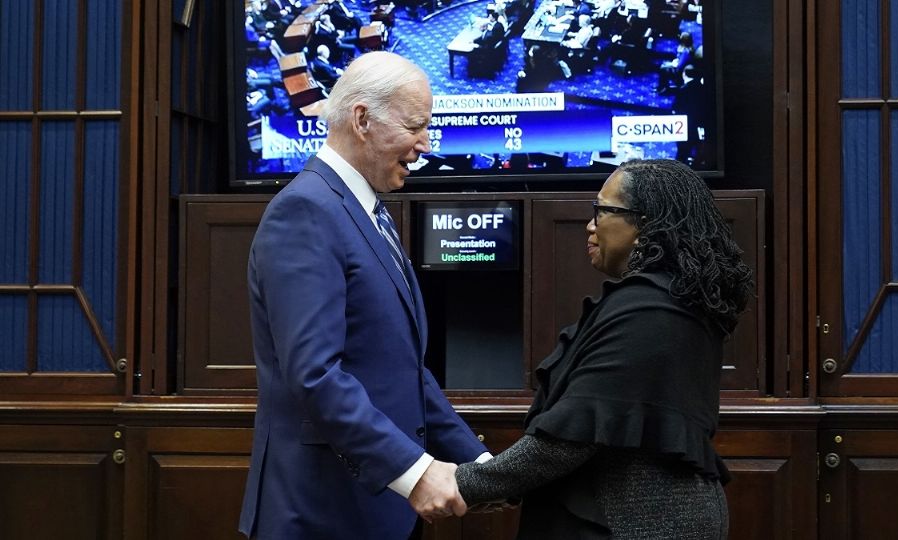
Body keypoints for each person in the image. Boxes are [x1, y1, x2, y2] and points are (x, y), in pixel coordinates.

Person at [239, 51, 490, 540]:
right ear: (362, 120)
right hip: (323, 516)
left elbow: (399, 369)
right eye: (416, 126)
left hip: (376, 514)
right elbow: (316, 376)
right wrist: (415, 472)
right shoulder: (306, 212)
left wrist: (478, 464)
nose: (425, 144)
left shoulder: (366, 210)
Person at [455, 159, 753, 539]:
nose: (591, 224)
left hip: (635, 524)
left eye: (602, 211)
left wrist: (462, 484)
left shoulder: (650, 310)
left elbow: (568, 440)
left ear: (645, 223)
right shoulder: (668, 302)